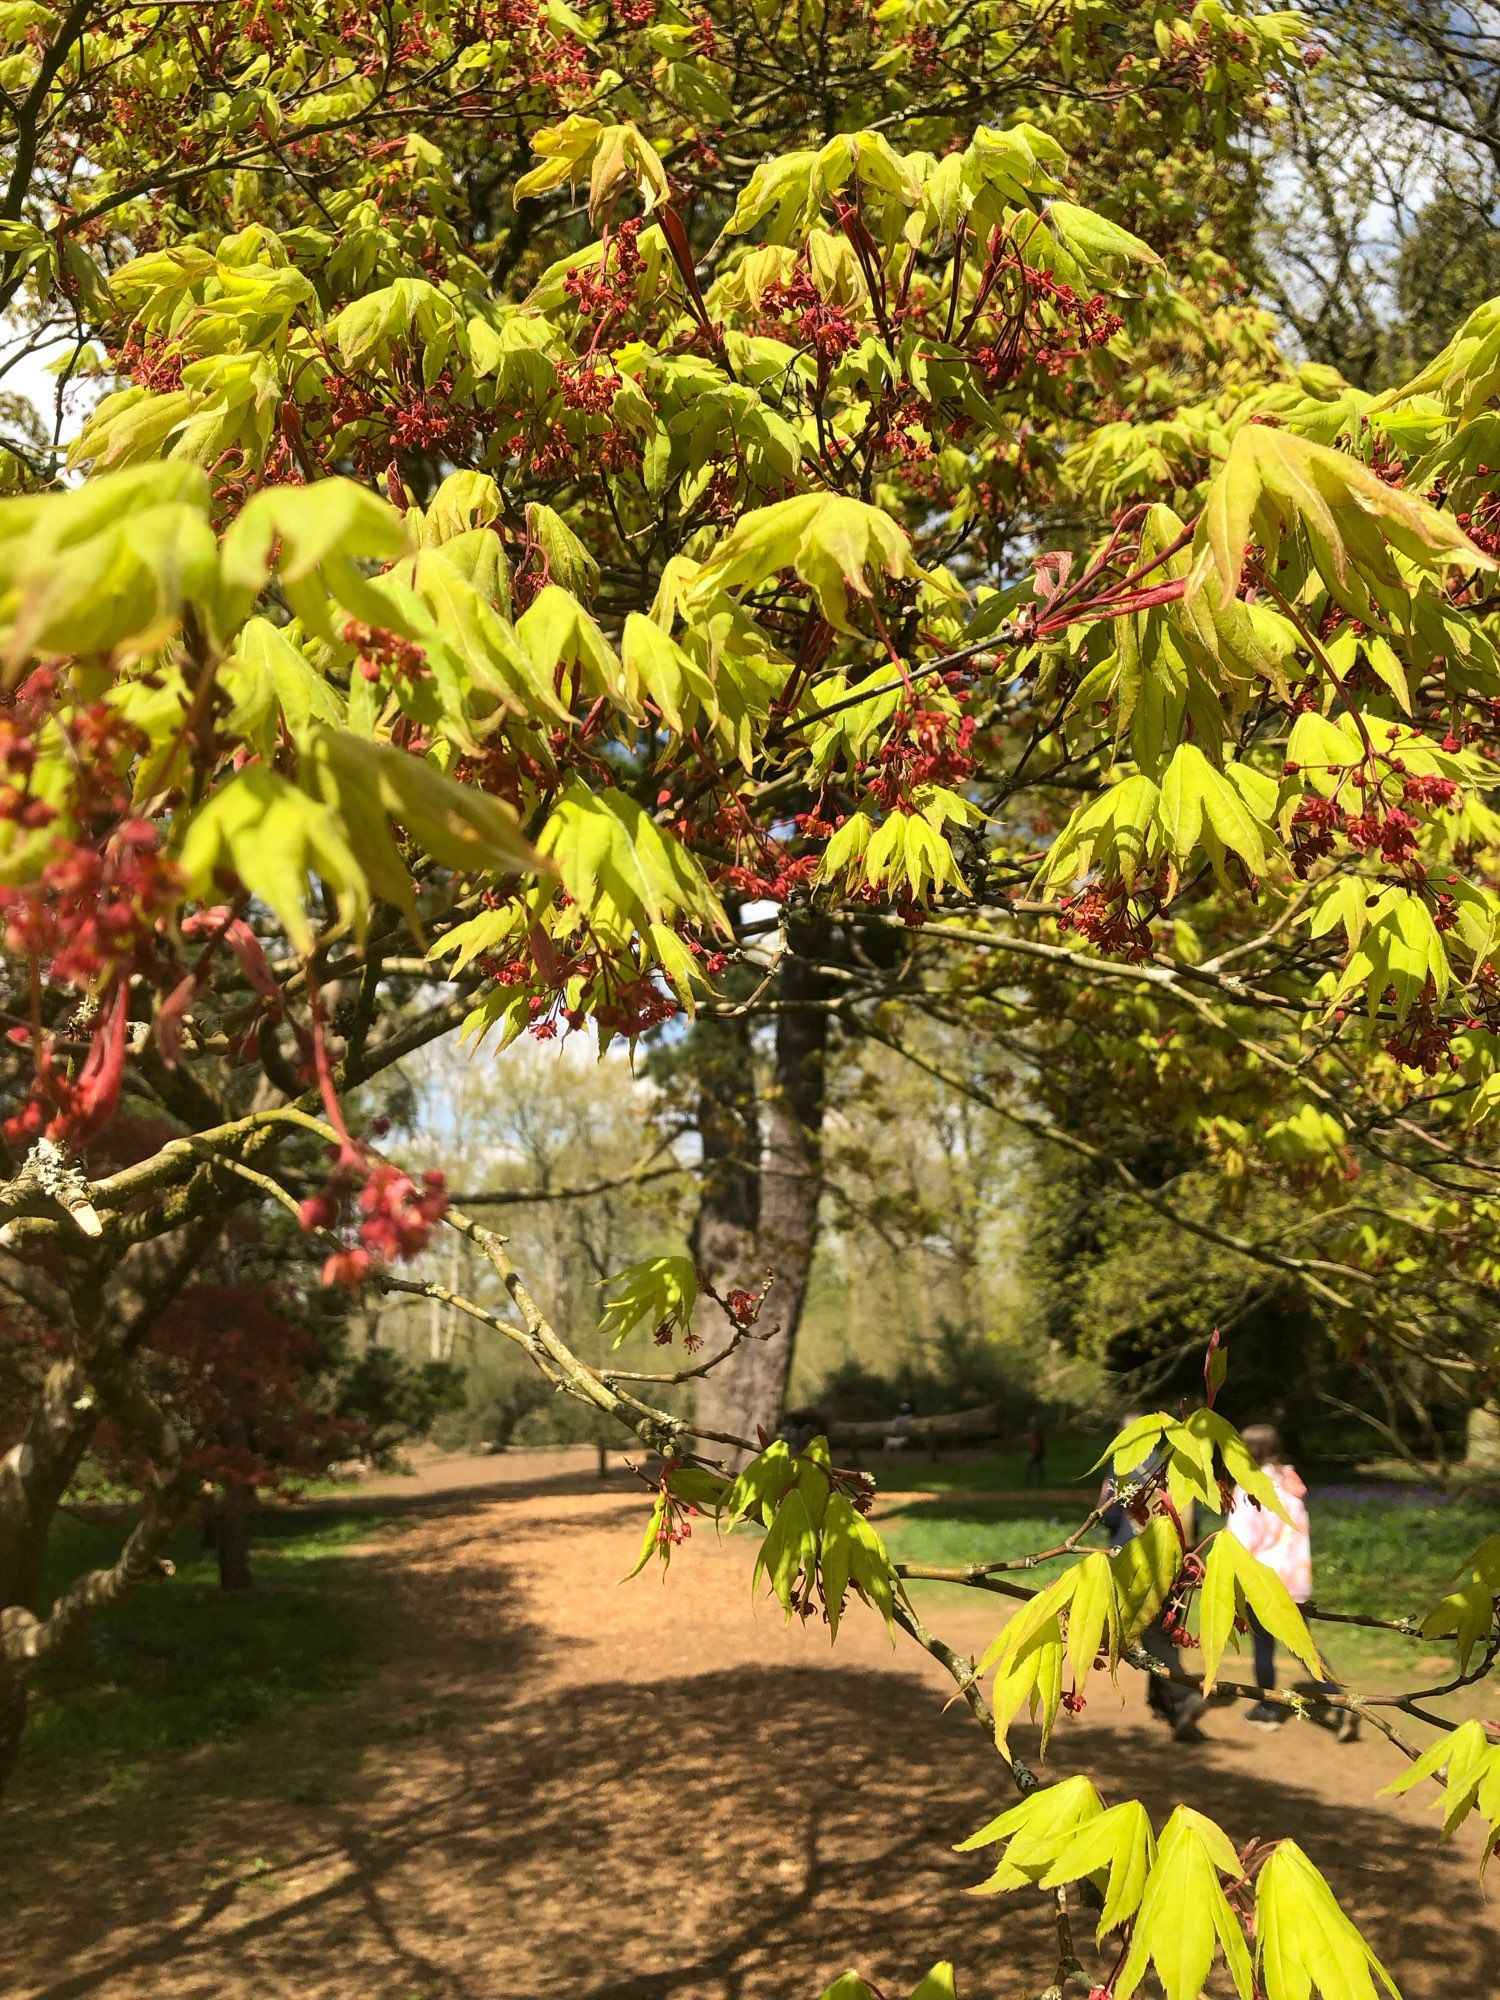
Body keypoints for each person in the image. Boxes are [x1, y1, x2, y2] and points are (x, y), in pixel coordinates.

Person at [1227, 1422, 1358, 1740]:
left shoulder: (1249, 1488)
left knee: (1262, 1644)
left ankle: (1267, 1708)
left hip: (1264, 1579)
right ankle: (1342, 1703)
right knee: (1304, 1649)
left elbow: (1240, 1540)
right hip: (1295, 1579)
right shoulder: (1291, 1483)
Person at [1101, 1419, 1207, 1743]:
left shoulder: (1122, 1469)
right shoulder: (1177, 1466)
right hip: (1178, 1559)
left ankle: (1182, 1694)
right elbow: (1196, 1517)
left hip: (1135, 1561)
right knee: (1163, 1630)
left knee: (1152, 1635)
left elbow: (1108, 1515)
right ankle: (1166, 1705)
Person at [1023, 1413, 1047, 1486]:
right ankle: (1041, 1477)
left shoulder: (1037, 1430)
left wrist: (1033, 1452)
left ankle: (1027, 1480)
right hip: (1037, 1451)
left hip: (1035, 1451)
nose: (1030, 1423)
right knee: (1038, 1465)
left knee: (1030, 1466)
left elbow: (1037, 1442)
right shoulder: (1035, 1430)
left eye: (1031, 1421)